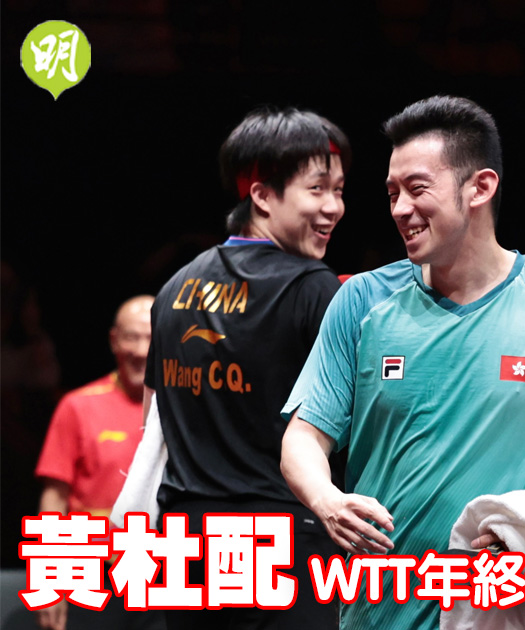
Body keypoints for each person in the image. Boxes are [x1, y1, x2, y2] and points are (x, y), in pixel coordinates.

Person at [279, 95, 525, 630]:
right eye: (392, 193)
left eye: (417, 189)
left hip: (504, 610)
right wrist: (326, 499)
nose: (400, 209)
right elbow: (304, 436)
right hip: (377, 613)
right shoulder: (360, 301)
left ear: (480, 187)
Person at [142, 106, 350, 630]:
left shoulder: (172, 290)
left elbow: (152, 422)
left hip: (186, 550)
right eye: (317, 189)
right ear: (261, 195)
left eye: (339, 190)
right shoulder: (313, 289)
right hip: (282, 546)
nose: (333, 207)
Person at [33, 295, 164, 630]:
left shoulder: (186, 410)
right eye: (132, 337)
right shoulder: (77, 407)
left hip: (166, 576)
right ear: (114, 340)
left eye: (151, 338)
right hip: (93, 577)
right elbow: (54, 497)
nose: (141, 350)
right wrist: (49, 577)